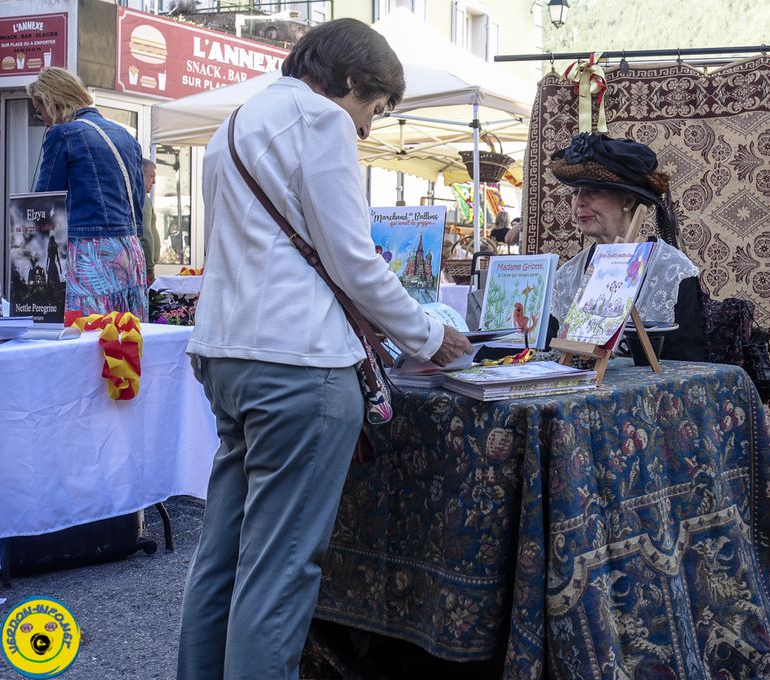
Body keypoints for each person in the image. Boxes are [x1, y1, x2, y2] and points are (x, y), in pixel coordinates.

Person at [177, 19, 472, 680]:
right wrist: (428, 334)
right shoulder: (321, 120)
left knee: (221, 557)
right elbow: (353, 260)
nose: (368, 128)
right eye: (374, 108)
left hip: (229, 353)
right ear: (348, 82)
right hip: (296, 363)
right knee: (279, 569)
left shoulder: (238, 123)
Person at [547, 132, 708, 360]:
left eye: (594, 191)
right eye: (576, 192)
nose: (579, 202)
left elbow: (690, 363)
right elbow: (550, 356)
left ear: (628, 201)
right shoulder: (566, 277)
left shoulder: (673, 271)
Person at [27, 67, 146, 319]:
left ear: (52, 102)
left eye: (41, 111)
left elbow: (45, 200)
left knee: (87, 335)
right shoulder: (125, 135)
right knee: (126, 333)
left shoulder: (62, 134)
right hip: (128, 248)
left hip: (88, 251)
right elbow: (138, 202)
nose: (45, 120)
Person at [137, 159, 161, 285]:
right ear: (141, 175)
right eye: (151, 176)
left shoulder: (139, 197)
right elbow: (145, 234)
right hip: (144, 267)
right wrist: (149, 267)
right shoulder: (142, 199)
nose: (154, 181)